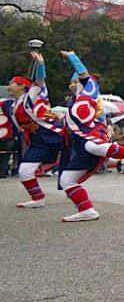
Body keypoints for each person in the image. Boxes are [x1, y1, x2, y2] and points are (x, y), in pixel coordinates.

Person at [57, 50, 124, 222]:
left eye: (75, 81)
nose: (72, 84)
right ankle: (86, 210)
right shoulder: (74, 100)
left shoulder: (89, 91)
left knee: (93, 146)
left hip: (91, 136)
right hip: (79, 143)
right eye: (71, 82)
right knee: (67, 180)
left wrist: (72, 57)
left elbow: (84, 74)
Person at [10, 54, 66, 208]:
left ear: (22, 86)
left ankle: (123, 153)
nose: (8, 87)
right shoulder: (13, 105)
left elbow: (40, 81)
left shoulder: (31, 96)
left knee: (88, 148)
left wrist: (40, 65)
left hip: (52, 134)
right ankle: (37, 198)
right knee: (24, 170)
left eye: (12, 84)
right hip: (37, 141)